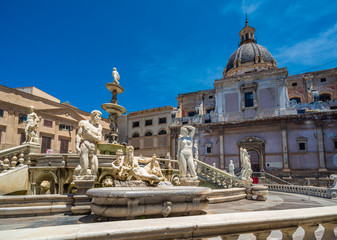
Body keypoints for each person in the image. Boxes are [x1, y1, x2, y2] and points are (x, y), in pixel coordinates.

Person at [75, 110, 102, 176]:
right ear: (93, 116)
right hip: (86, 145)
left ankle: (89, 180)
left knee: (95, 168)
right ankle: (79, 179)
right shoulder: (83, 123)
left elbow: (99, 139)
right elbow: (78, 135)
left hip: (94, 147)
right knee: (84, 166)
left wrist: (90, 133)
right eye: (98, 116)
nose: (100, 118)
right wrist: (76, 146)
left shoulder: (99, 127)